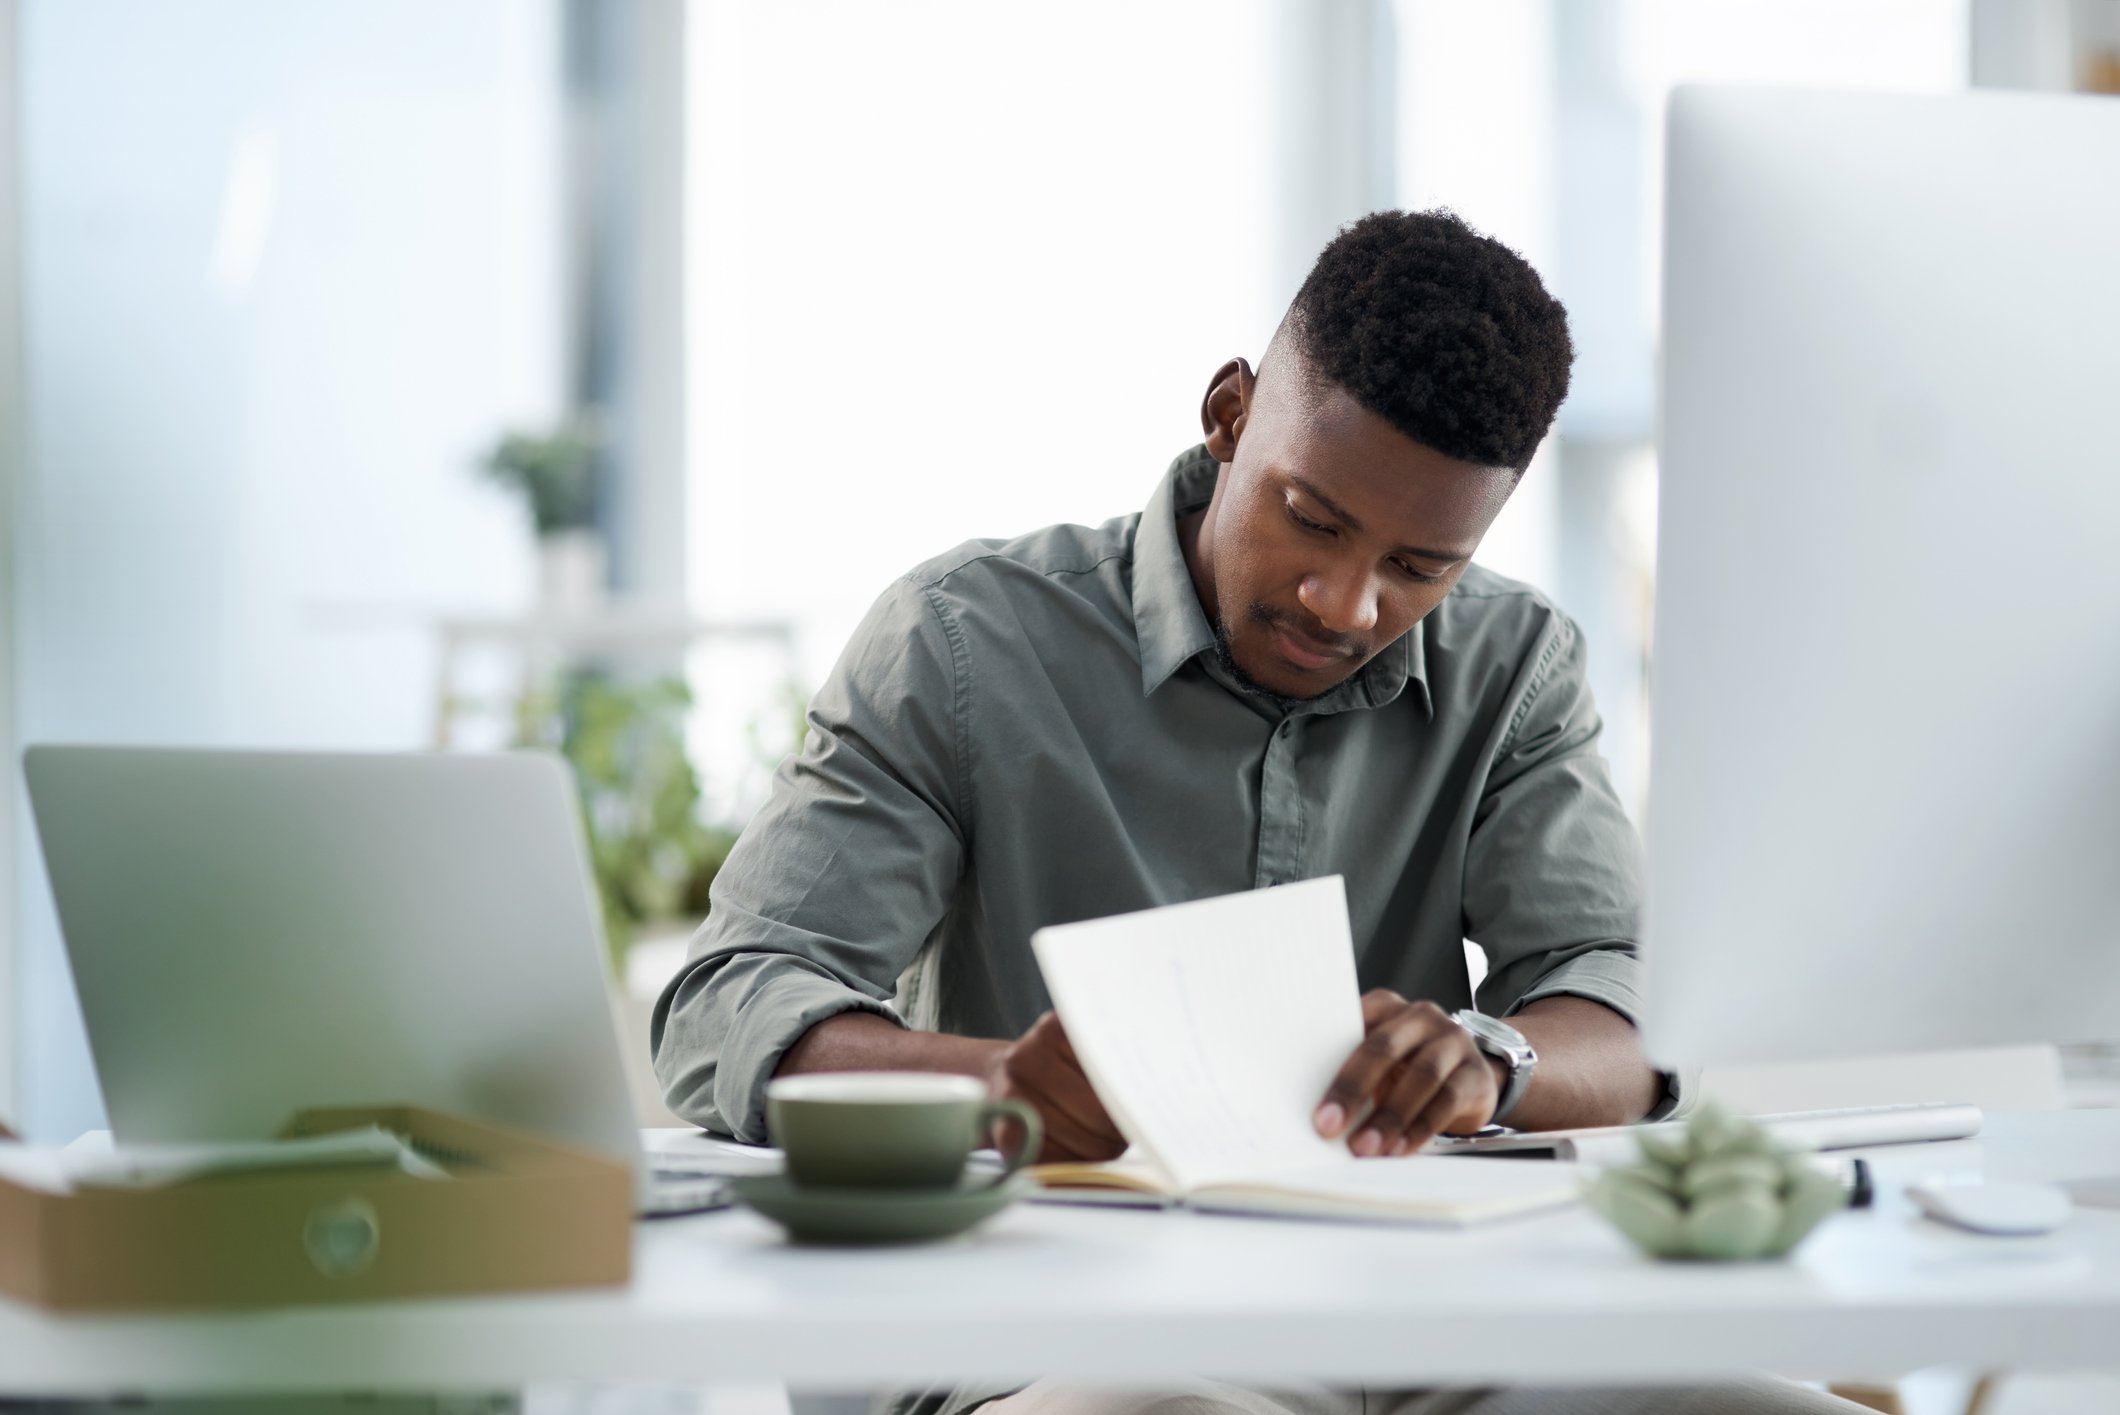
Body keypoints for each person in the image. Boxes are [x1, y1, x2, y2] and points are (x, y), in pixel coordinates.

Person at [653, 210, 1862, 1415]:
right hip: (1052, 1319)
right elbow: (732, 998)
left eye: (1418, 567)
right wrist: (993, 1085)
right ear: (1228, 411)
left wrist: (1495, 1058)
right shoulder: (961, 641)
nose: (1343, 603)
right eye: (1313, 519)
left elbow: (1628, 996)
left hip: (1418, 1309)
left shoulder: (1514, 663)